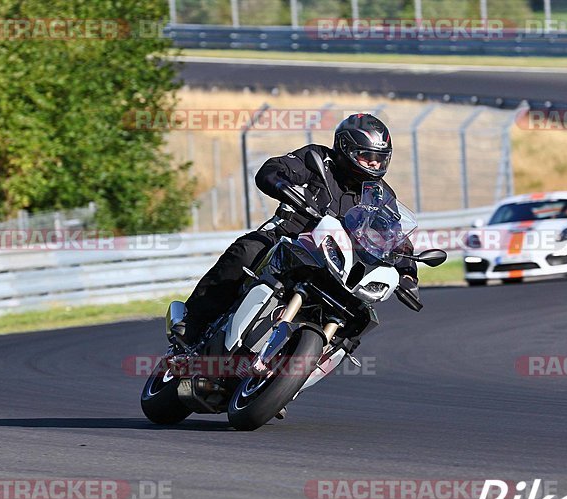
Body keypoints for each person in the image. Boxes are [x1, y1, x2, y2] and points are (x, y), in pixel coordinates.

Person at [173, 114, 418, 346]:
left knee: (360, 316)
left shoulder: (381, 195)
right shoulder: (319, 159)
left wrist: (408, 274)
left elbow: (395, 238)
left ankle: (306, 366)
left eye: (380, 158)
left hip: (337, 265)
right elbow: (272, 170)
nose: (375, 164)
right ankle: (192, 320)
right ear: (346, 148)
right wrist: (283, 185)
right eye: (367, 156)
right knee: (247, 251)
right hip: (287, 240)